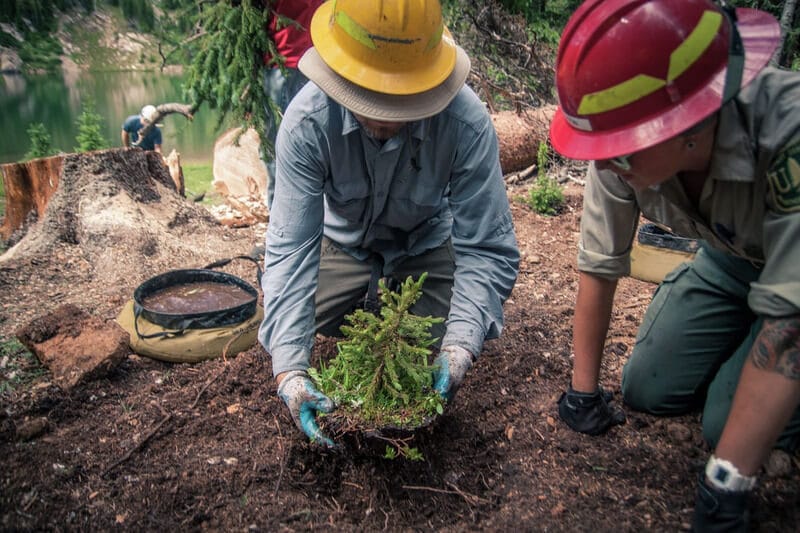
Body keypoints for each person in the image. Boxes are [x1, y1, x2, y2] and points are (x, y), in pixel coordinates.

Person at [548, 0, 799, 530]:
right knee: (648, 389)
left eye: (619, 152)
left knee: (722, 428)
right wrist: (583, 393)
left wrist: (725, 486)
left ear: (689, 125)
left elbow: (790, 321)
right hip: (730, 262)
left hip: (793, 282)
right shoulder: (621, 136)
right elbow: (599, 261)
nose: (605, 162)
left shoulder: (788, 136)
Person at [258, 0, 519, 448]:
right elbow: (292, 250)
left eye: (399, 102)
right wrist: (290, 373)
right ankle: (356, 303)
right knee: (287, 314)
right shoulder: (306, 123)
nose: (381, 116)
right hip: (341, 246)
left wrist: (459, 348)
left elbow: (486, 249)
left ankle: (418, 317)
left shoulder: (466, 122)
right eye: (368, 98)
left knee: (436, 338)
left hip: (425, 246)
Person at [261, 0, 322, 210]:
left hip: (299, 61)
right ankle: (282, 213)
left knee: (282, 141)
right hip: (294, 61)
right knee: (281, 142)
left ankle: (288, 213)